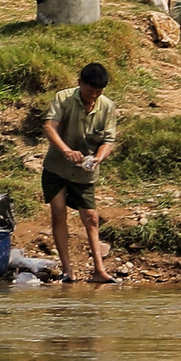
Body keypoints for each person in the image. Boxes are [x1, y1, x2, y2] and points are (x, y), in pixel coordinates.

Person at [43, 61, 119, 284]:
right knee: (59, 213)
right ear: (79, 84)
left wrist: (99, 157)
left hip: (85, 173)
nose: (92, 96)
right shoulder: (63, 98)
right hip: (56, 168)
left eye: (98, 92)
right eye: (89, 91)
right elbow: (49, 127)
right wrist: (66, 150)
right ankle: (68, 271)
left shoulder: (107, 106)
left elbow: (108, 141)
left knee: (91, 218)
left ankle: (99, 270)